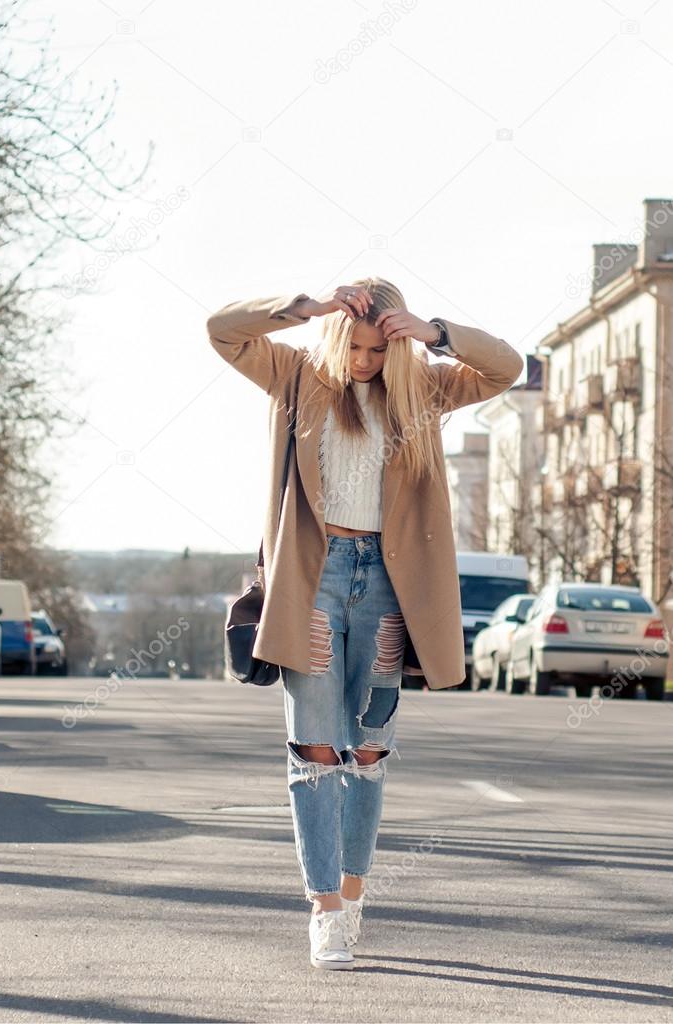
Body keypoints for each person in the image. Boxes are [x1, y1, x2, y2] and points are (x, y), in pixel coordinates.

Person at [207, 279, 523, 969]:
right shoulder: (295, 376)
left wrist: (434, 332)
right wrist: (306, 306)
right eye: (355, 345)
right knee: (316, 748)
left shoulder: (424, 390)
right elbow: (223, 329)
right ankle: (322, 909)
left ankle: (352, 895)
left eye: (379, 349)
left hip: (385, 586)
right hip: (313, 580)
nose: (365, 361)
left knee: (369, 752)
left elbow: (506, 366)